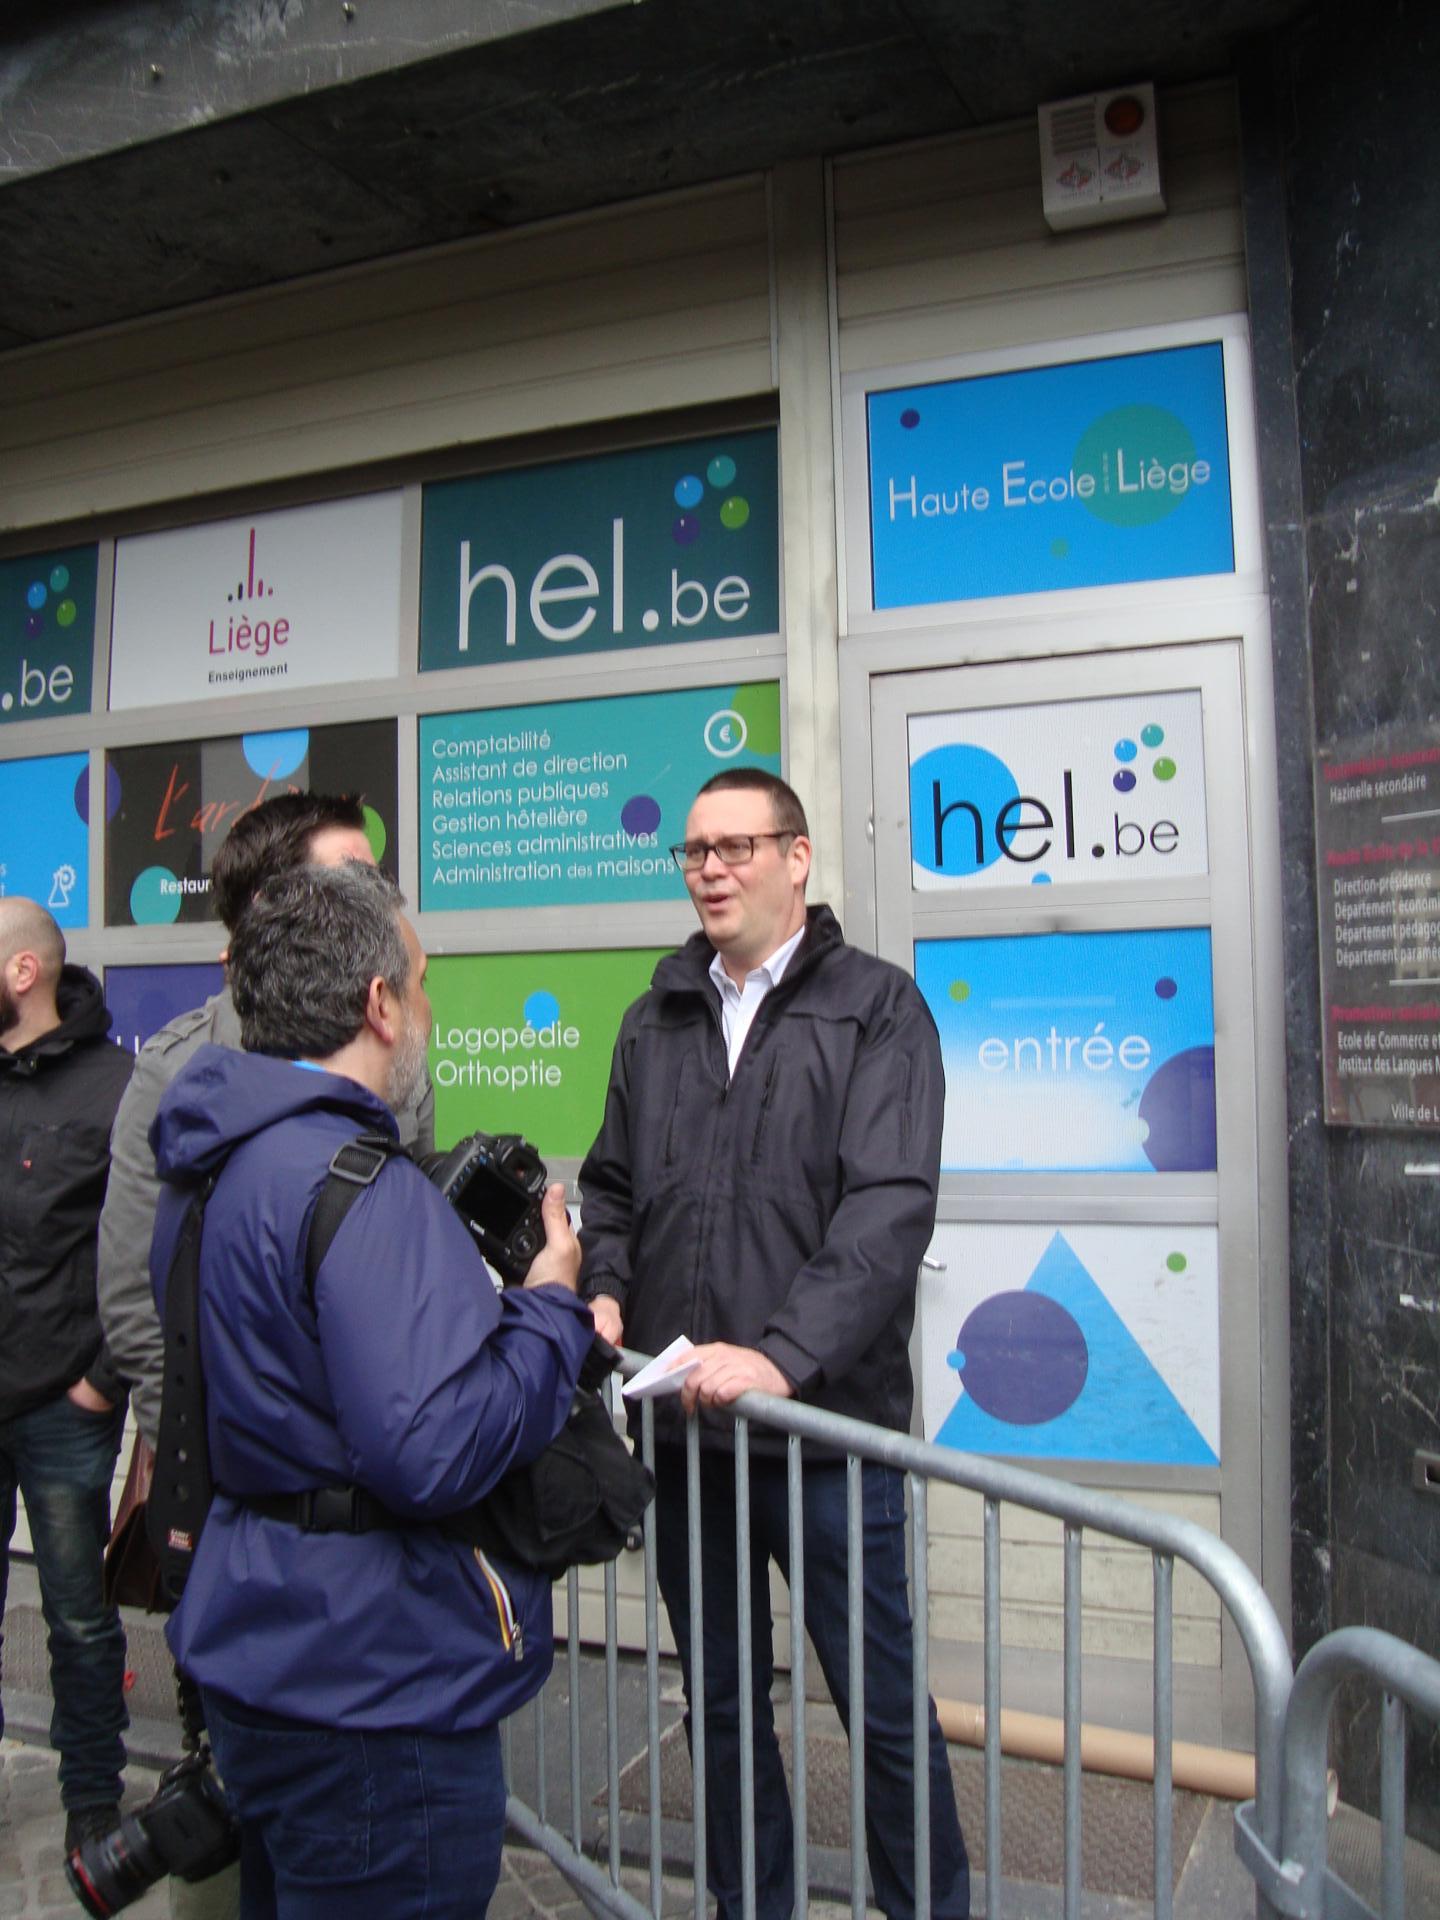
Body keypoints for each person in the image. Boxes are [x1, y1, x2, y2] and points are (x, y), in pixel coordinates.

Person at [148, 861, 595, 1917]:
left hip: (259, 1643)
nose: (428, 1011)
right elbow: (431, 1450)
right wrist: (549, 1305)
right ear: (378, 1003)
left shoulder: (210, 1164)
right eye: (423, 983)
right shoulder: (364, 1185)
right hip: (375, 1688)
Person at [579, 769, 970, 1920]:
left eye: (736, 846)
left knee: (883, 1710)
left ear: (797, 859)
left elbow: (889, 1209)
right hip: (687, 1433)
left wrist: (783, 1357)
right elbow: (609, 1188)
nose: (710, 867)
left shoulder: (877, 1007)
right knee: (723, 1704)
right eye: (694, 850)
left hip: (822, 1435)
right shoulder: (654, 1018)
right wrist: (605, 1291)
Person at [99, 790, 434, 1453]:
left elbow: (416, 1241)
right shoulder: (177, 1071)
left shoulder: (400, 1061)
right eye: (356, 878)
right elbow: (138, 1299)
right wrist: (209, 1468)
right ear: (273, 906)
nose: (384, 902)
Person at [0, 899, 135, 1852]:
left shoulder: (117, 1085)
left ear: (22, 973)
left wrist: (101, 1378)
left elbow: (138, 1247)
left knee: (78, 1620)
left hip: (62, 1403)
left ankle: (93, 1795)